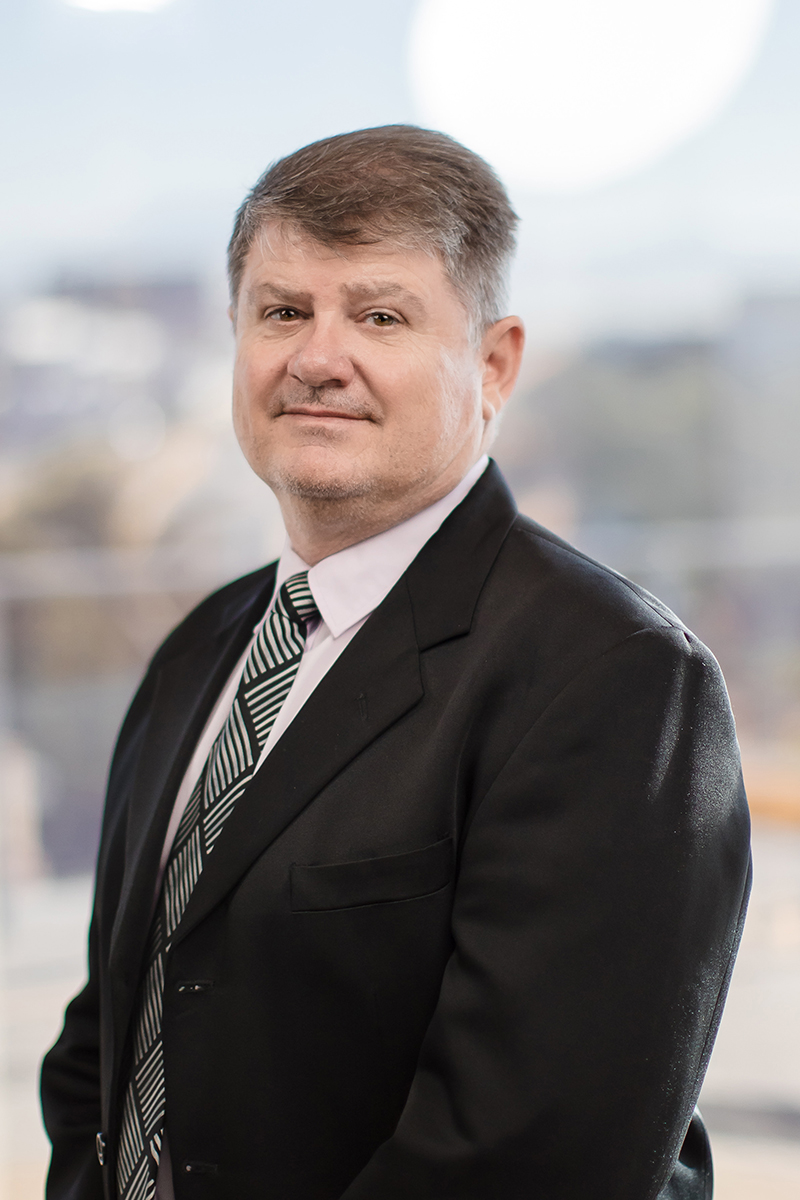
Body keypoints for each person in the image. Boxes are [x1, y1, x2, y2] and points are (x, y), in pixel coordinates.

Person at [41, 125, 751, 1200]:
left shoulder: (617, 680)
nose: (317, 358)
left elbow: (532, 1158)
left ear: (493, 363)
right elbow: (111, 1026)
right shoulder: (201, 647)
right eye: (283, 312)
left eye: (379, 316)